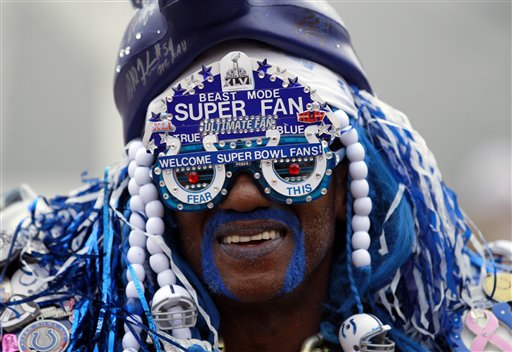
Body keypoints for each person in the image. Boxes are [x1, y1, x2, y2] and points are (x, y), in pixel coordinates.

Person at [1, 1, 510, 352]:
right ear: (156, 193)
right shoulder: (46, 325)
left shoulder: (477, 328)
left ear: (343, 184)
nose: (243, 197)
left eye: (289, 159)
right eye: (197, 167)